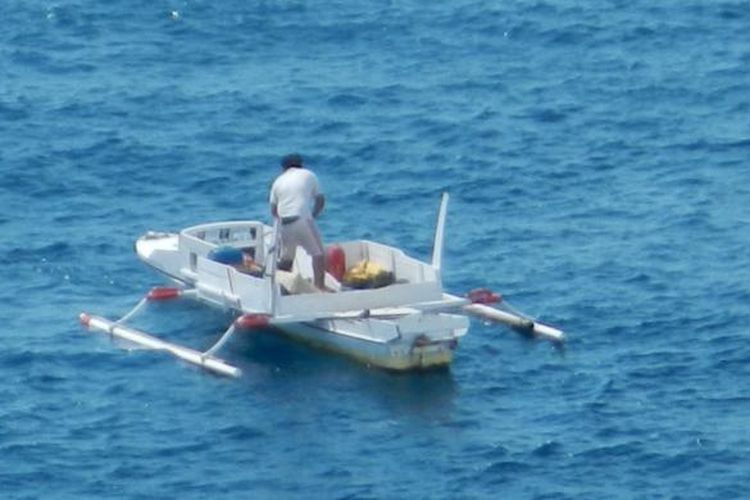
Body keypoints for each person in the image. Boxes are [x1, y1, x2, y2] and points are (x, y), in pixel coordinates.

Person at [269, 153, 327, 291]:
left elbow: (273, 210)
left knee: (287, 260)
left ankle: (283, 288)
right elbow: (320, 200)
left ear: (283, 168)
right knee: (318, 254)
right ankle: (320, 287)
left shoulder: (278, 181)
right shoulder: (308, 174)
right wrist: (313, 215)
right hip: (302, 219)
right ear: (301, 164)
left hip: (284, 222)